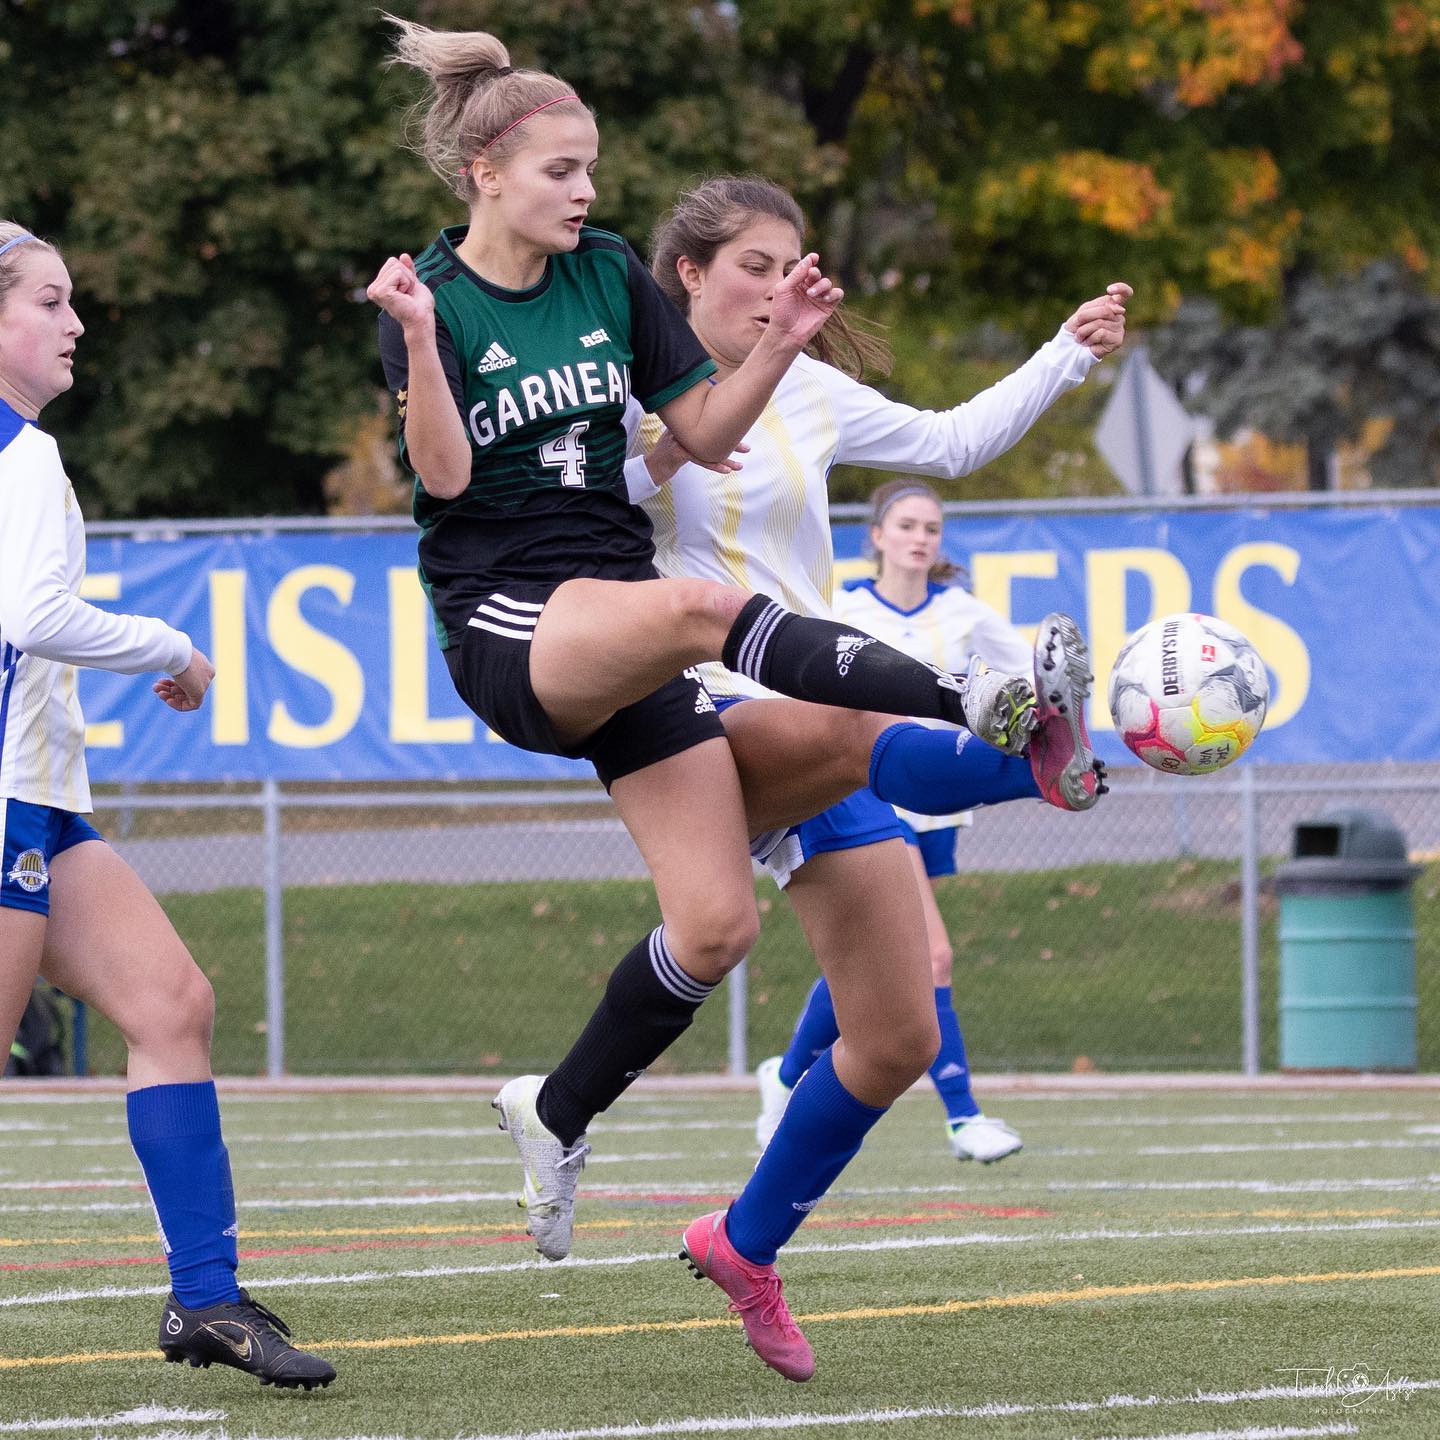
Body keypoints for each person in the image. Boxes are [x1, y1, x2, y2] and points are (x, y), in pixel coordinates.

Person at [367, 18, 1064, 1271]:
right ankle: (978, 702)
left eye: (590, 170)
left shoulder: (611, 273)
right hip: (509, 615)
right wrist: (417, 343)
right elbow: (445, 474)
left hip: (619, 619)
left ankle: (557, 1110)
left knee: (716, 926)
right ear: (484, 175)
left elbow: (698, 429)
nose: (586, 191)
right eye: (560, 172)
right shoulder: (438, 299)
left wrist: (784, 342)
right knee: (701, 618)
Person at [496, 172, 1123, 1381]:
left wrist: (1065, 352)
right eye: (754, 265)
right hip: (697, 716)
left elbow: (949, 442)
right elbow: (595, 497)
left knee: (891, 1038)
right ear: (685, 276)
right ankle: (1030, 751)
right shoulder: (628, 395)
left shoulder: (815, 390)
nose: (783, 286)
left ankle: (742, 1243)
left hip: (824, 700)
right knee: (856, 726)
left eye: (794, 265)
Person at [0, 222, 334, 1390]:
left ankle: (205, 1301)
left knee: (173, 1003)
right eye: (50, 300)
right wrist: (172, 646)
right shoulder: (22, 457)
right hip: (6, 804)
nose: (75, 321)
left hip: (36, 802)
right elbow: (35, 617)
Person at [755, 477, 1052, 1168]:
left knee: (874, 961)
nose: (921, 538)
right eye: (908, 525)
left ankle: (785, 1074)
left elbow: (1028, 689)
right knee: (930, 957)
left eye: (931, 528)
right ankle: (963, 1118)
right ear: (878, 536)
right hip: (867, 790)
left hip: (937, 798)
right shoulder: (843, 604)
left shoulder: (965, 613)